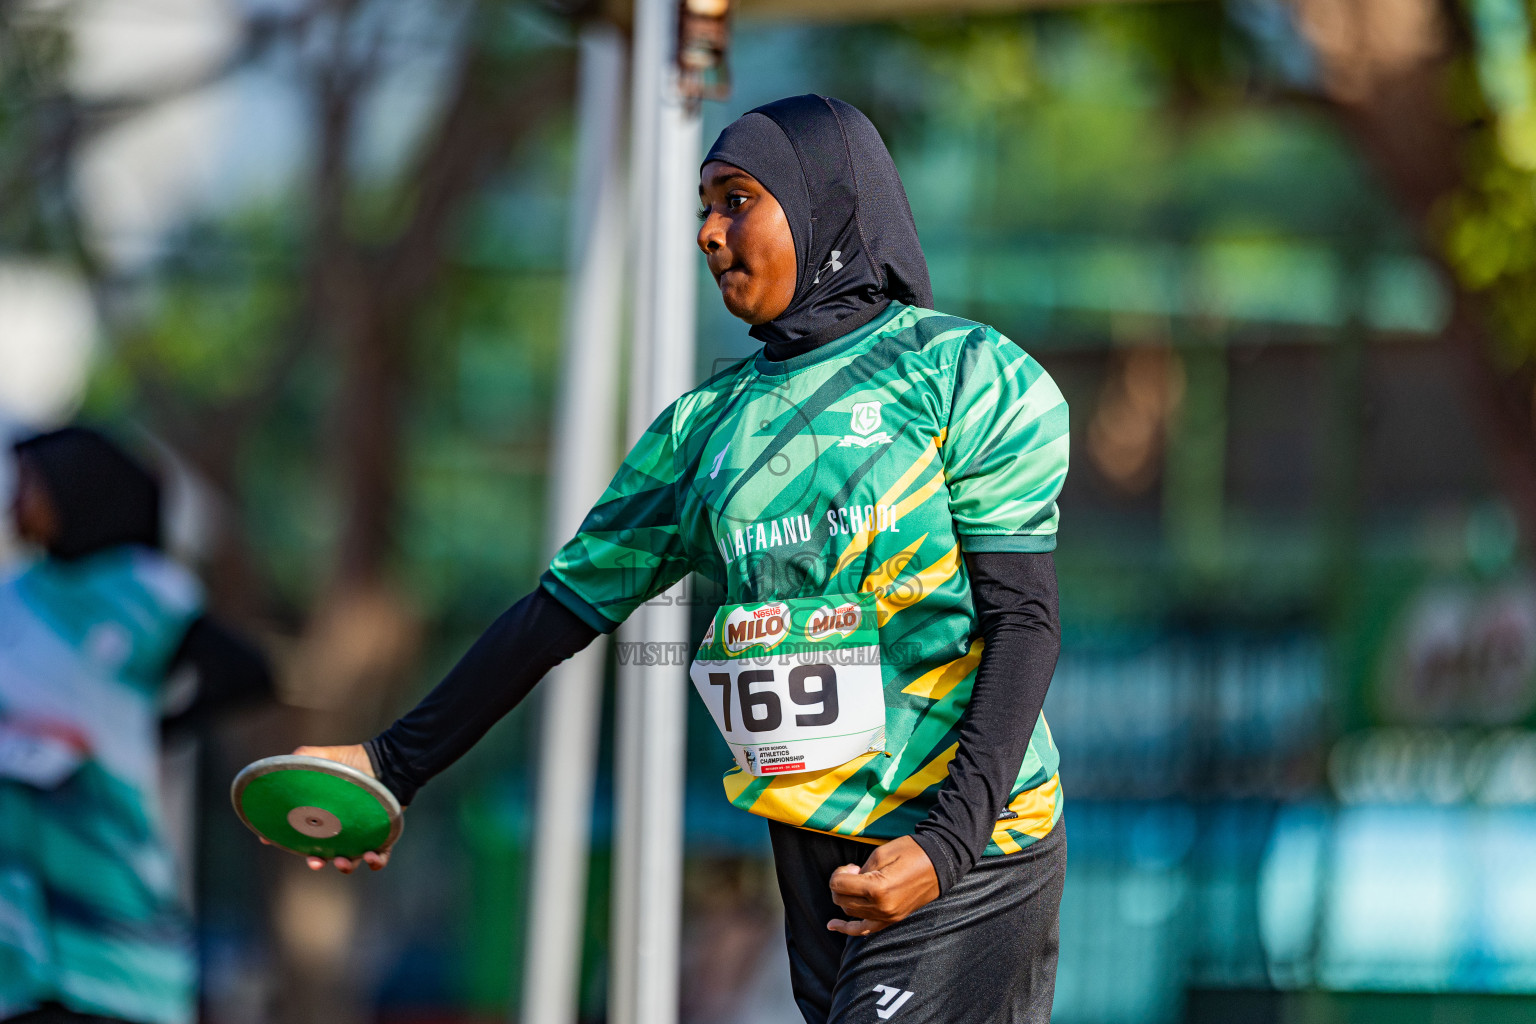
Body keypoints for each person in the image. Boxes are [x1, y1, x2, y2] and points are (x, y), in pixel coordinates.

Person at [296, 95, 1070, 1024]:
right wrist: (390, 765)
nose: (707, 233)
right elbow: (553, 617)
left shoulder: (963, 374)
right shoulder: (702, 430)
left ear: (825, 202)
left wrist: (946, 848)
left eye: (737, 199)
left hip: (977, 846)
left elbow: (1025, 621)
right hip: (817, 858)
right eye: (703, 206)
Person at [0, 427, 274, 1024]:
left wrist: (152, 729)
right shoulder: (13, 599)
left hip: (108, 883)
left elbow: (248, 672)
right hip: (18, 902)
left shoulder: (142, 592)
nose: (15, 501)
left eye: (30, 485)